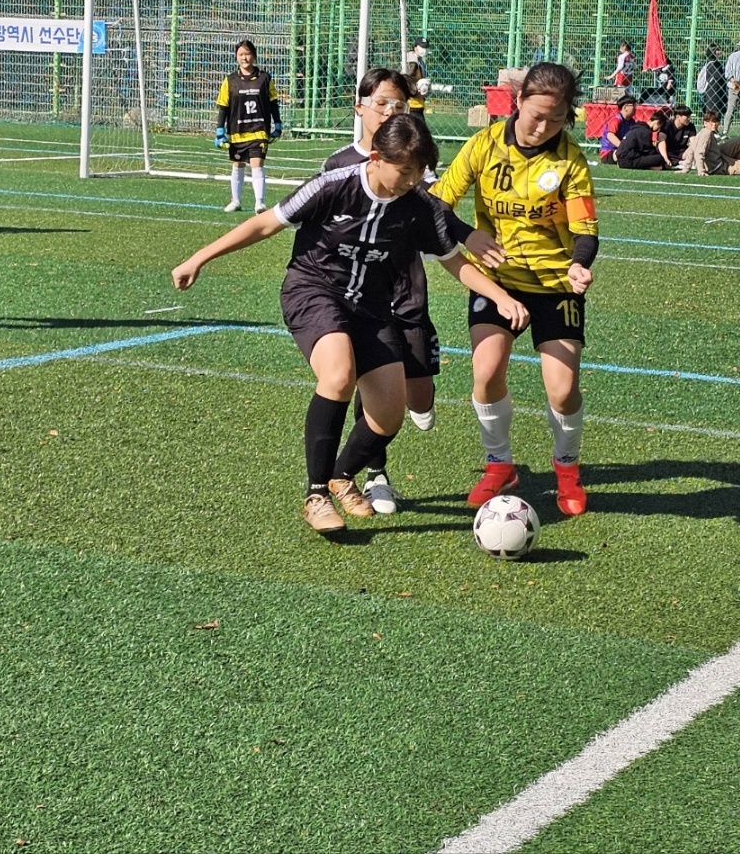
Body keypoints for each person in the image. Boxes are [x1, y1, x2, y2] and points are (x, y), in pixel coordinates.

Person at [172, 115, 528, 535]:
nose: (413, 180)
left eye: (419, 172)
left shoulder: (419, 207)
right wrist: (200, 257)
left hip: (372, 310)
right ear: (377, 157)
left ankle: (342, 476)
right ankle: (317, 494)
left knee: (387, 416)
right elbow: (266, 223)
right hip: (314, 290)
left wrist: (501, 296)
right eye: (405, 170)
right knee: (339, 373)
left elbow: (454, 262)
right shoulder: (334, 185)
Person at [322, 68, 504, 514]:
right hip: (356, 300)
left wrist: (465, 234)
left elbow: (435, 209)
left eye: (399, 105)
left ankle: (407, 409)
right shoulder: (338, 166)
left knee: (417, 395)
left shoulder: (412, 161)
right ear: (360, 105)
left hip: (408, 294)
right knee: (369, 385)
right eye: (383, 102)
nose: (390, 112)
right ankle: (373, 476)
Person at [430, 62, 598, 518]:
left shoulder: (570, 160)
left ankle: (567, 469)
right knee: (486, 373)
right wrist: (468, 234)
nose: (543, 127)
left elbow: (585, 230)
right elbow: (437, 204)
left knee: (562, 390)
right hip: (499, 280)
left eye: (557, 119)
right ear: (518, 102)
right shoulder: (483, 145)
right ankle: (499, 464)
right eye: (536, 115)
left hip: (554, 284)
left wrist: (580, 266)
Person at [215, 39, 280, 214]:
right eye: (241, 54)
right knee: (237, 165)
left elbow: (273, 103)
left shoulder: (265, 78)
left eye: (248, 54)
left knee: (257, 164)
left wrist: (278, 123)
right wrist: (220, 130)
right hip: (237, 132)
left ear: (254, 55)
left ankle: (260, 203)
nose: (245, 58)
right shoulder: (230, 80)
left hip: (259, 130)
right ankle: (235, 201)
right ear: (236, 57)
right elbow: (223, 106)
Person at [678, 110, 740, 176]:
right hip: (719, 166)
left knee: (737, 141)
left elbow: (692, 150)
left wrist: (686, 168)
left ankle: (737, 161)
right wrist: (701, 170)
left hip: (719, 157)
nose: (714, 124)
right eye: (711, 122)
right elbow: (699, 153)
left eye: (716, 122)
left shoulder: (701, 133)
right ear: (705, 123)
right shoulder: (706, 132)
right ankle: (737, 164)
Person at [598, 95, 639, 164]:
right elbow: (610, 135)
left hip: (624, 150)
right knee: (629, 155)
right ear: (625, 107)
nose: (635, 108)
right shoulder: (616, 120)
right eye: (633, 105)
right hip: (609, 152)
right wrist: (624, 147)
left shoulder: (632, 122)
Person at [406, 37, 432, 129]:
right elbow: (408, 80)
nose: (424, 50)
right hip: (412, 104)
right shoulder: (412, 63)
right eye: (422, 47)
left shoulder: (419, 61)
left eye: (426, 47)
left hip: (417, 102)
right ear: (415, 48)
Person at [697, 44, 727, 117]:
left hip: (713, 91)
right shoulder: (714, 64)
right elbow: (719, 76)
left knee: (713, 110)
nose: (720, 52)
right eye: (717, 50)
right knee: (713, 111)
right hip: (714, 90)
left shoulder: (712, 63)